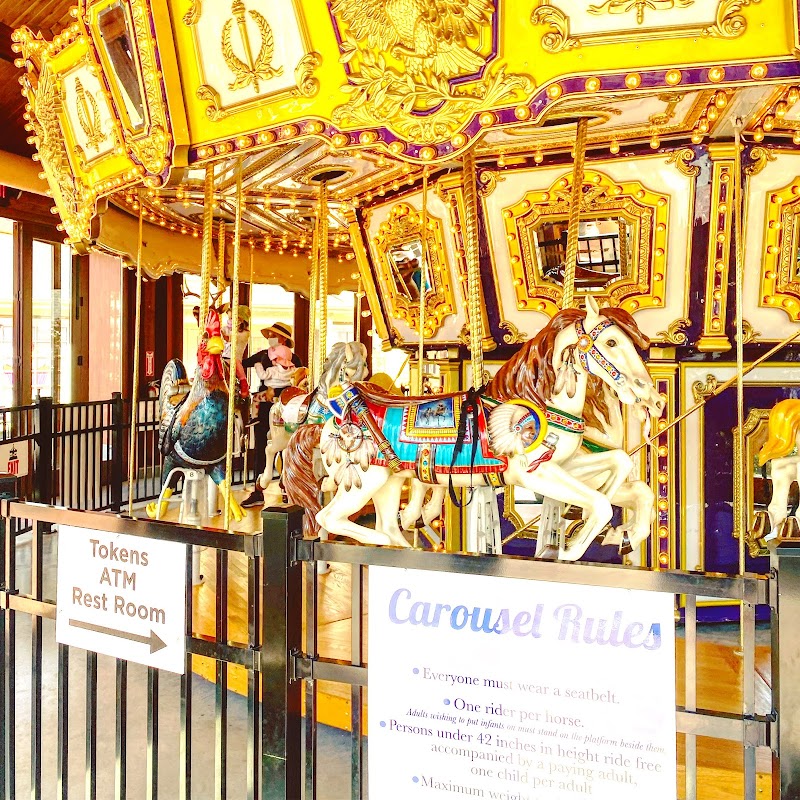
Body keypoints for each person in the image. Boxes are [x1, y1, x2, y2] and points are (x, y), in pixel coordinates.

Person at [241, 322, 303, 508]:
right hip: (266, 406)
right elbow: (244, 363)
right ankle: (258, 490)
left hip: (285, 405)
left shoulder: (293, 358)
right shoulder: (262, 355)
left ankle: (287, 487)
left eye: (273, 335)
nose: (270, 337)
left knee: (287, 445)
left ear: (283, 339)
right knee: (261, 445)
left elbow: (300, 378)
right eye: (269, 334)